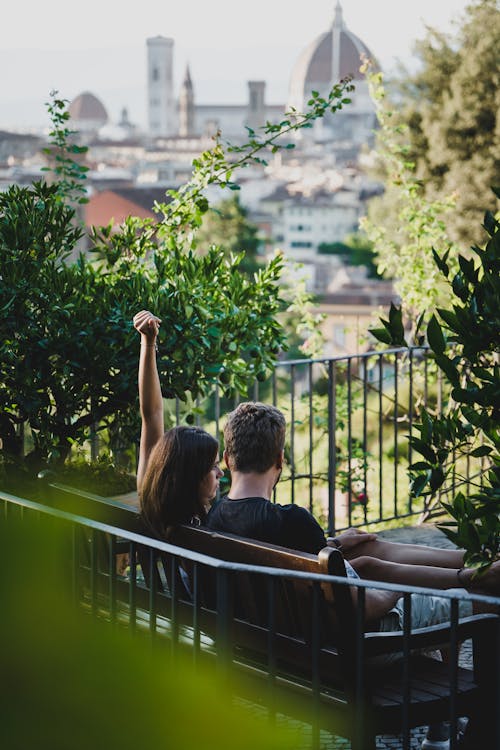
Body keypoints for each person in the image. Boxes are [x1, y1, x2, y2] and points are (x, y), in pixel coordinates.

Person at [206, 401, 500, 624]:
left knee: (367, 548)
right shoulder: (292, 520)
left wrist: (333, 544)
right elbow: (365, 606)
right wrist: (398, 586)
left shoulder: (215, 517)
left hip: (283, 641)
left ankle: (475, 562)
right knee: (480, 599)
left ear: (227, 459)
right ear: (280, 459)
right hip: (353, 643)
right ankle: (473, 582)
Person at [133, 310, 223, 538]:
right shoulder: (205, 532)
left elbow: (152, 414)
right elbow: (151, 413)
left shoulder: (153, 504)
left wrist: (148, 343)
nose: (221, 472)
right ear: (191, 477)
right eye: (212, 466)